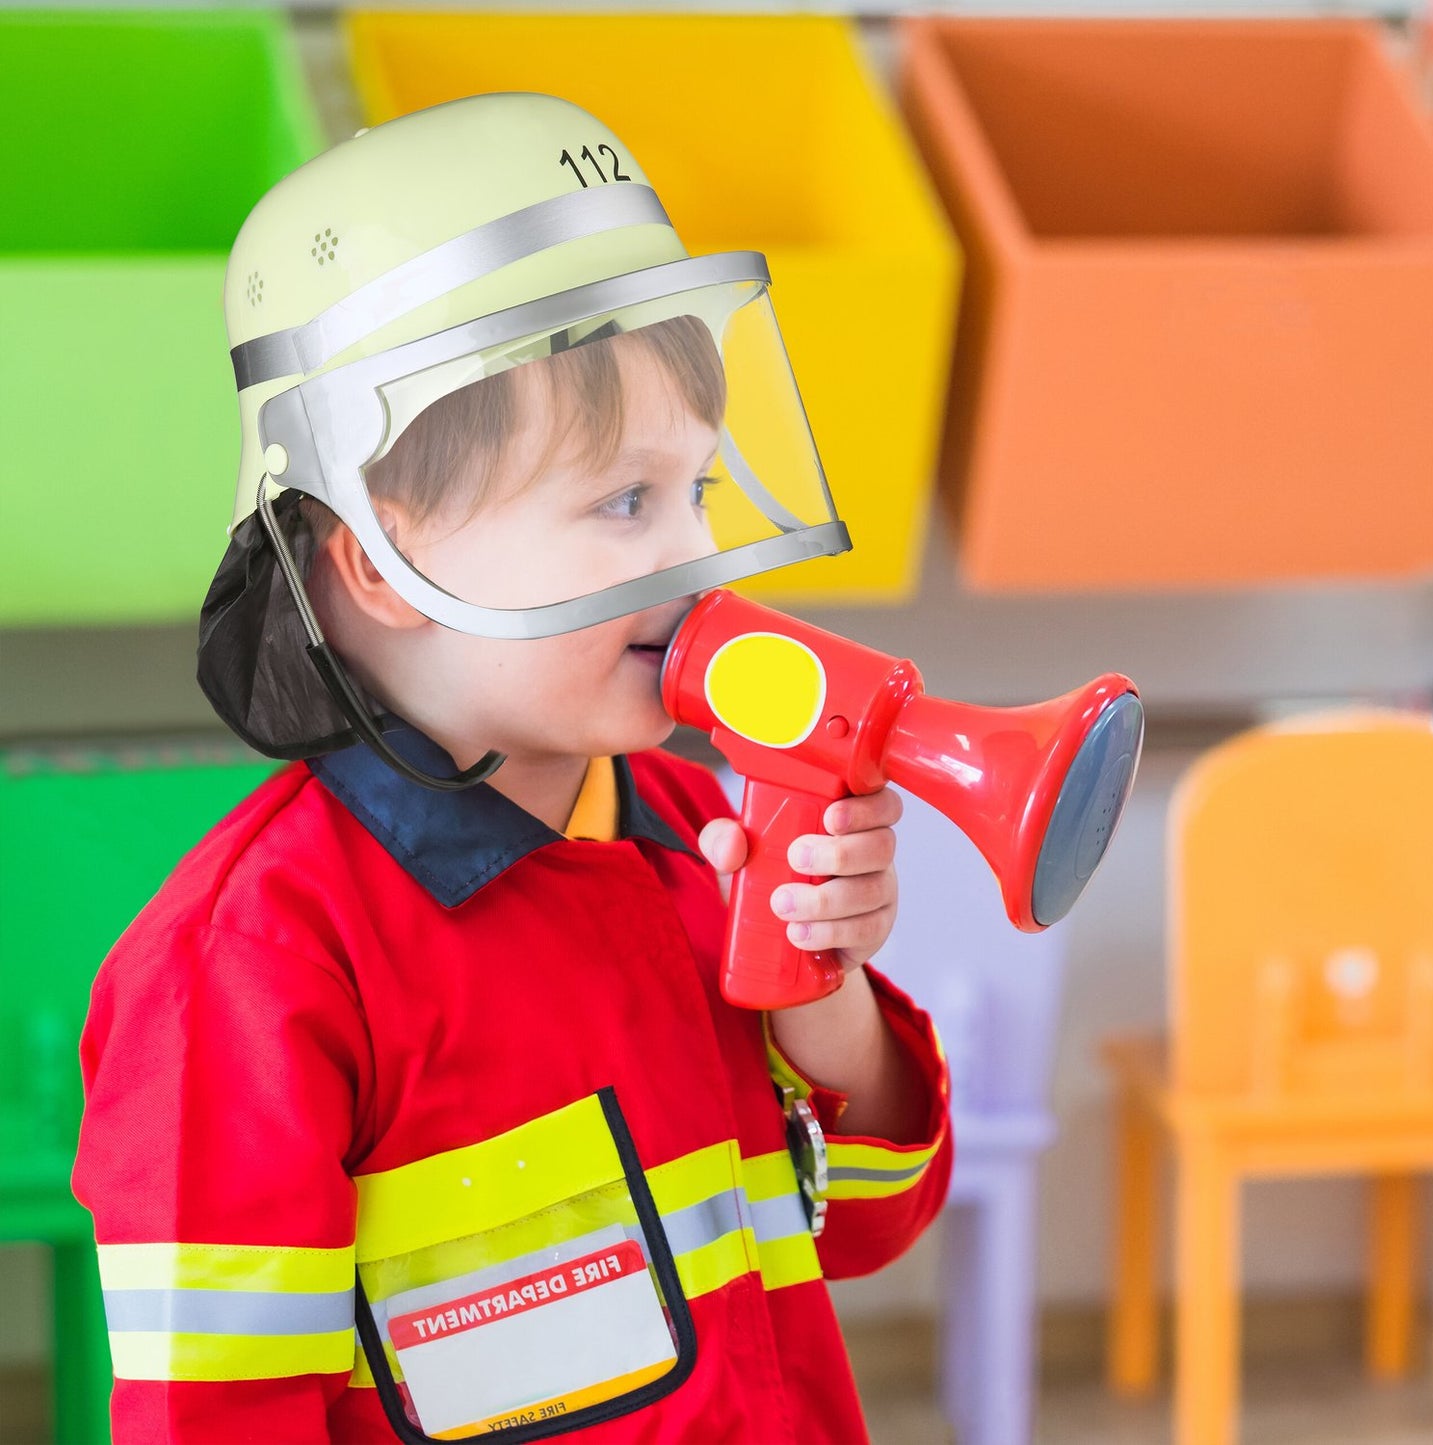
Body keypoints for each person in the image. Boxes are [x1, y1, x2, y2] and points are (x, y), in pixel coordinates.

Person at [73, 92, 952, 1443]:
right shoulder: (252, 968)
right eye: (620, 502)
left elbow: (868, 1226)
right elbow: (218, 1415)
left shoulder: (689, 824)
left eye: (697, 492)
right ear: (380, 556)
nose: (691, 555)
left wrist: (820, 1009)